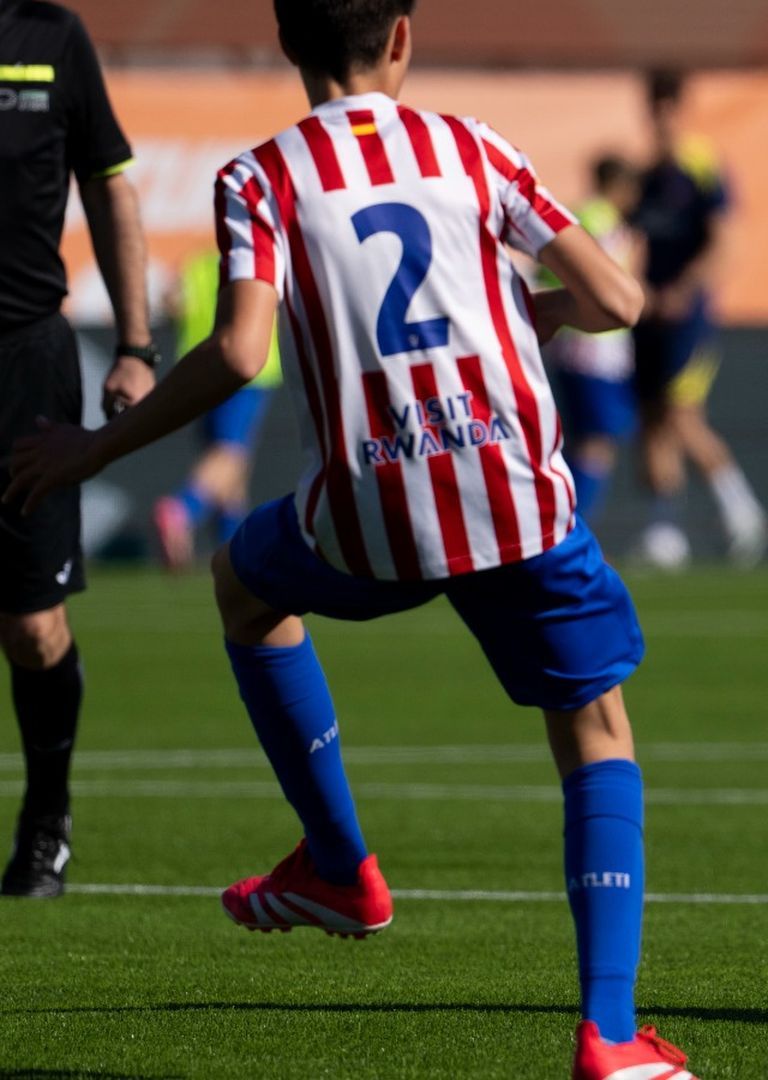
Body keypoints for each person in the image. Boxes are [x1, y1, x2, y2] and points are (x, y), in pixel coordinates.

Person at [4, 3, 696, 1077]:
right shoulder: (471, 148)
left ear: (289, 44)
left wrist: (93, 451)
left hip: (366, 514)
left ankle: (339, 865)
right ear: (404, 38)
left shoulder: (262, 177)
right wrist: (543, 314)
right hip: (510, 498)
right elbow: (620, 297)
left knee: (243, 584)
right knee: (595, 731)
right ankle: (609, 1036)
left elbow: (238, 354)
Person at [0, 0, 157, 898]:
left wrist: (136, 343)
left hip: (24, 366)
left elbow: (109, 182)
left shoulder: (52, 39)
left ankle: (46, 820)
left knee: (29, 625)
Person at [629, 71, 768, 570]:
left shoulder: (703, 166)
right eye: (654, 105)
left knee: (681, 415)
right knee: (651, 422)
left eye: (669, 105)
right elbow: (631, 243)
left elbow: (725, 241)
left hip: (688, 316)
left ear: (681, 108)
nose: (661, 116)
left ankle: (741, 510)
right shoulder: (644, 176)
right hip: (648, 315)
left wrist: (685, 289)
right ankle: (664, 532)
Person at [151, 247, 284, 569]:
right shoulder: (256, 258)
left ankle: (231, 550)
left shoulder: (193, 265)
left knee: (230, 467)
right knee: (230, 455)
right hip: (250, 369)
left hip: (201, 367)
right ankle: (182, 509)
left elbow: (170, 306)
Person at [542, 155, 642, 524]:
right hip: (594, 347)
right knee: (596, 443)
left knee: (583, 441)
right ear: (621, 186)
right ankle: (571, 525)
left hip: (570, 343)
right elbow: (609, 289)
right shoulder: (603, 223)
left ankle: (566, 522)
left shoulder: (574, 214)